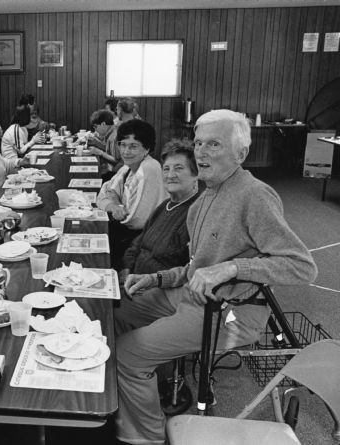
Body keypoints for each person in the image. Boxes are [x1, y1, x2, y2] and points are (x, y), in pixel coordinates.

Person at [114, 110, 318, 445]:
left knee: (128, 353)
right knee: (116, 312)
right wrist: (156, 279)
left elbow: (301, 266)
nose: (202, 152)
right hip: (191, 298)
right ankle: (129, 402)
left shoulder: (255, 195)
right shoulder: (203, 199)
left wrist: (234, 268)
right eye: (198, 143)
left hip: (234, 313)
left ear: (240, 154)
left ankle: (145, 436)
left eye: (214, 144)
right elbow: (197, 269)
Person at [119, 138, 200, 285]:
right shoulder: (165, 206)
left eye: (179, 168)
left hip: (158, 290)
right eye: (166, 169)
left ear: (196, 175)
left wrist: (149, 282)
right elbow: (138, 243)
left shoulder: (197, 213)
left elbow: (188, 271)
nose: (170, 175)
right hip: (133, 280)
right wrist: (126, 268)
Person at [96, 119, 167, 267]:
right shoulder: (128, 167)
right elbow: (106, 191)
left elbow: (135, 220)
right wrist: (115, 206)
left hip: (140, 241)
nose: (126, 151)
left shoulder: (149, 168)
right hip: (127, 233)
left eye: (133, 146)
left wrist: (112, 205)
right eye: (122, 144)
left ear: (147, 148)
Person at [86, 109, 121, 178]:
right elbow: (109, 150)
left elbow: (117, 162)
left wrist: (100, 152)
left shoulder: (113, 137)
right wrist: (96, 143)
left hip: (116, 174)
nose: (95, 130)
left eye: (95, 127)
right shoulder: (112, 131)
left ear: (103, 124)